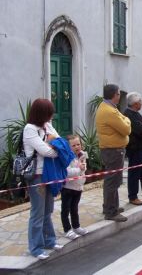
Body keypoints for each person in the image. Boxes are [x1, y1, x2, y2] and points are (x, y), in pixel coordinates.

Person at [23, 98, 63, 259]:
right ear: (42, 113)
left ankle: (50, 240)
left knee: (48, 210)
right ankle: (36, 248)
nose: (51, 116)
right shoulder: (29, 129)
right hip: (37, 176)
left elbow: (60, 141)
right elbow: (46, 151)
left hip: (49, 173)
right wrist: (57, 150)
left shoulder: (47, 125)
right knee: (38, 212)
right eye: (49, 113)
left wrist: (56, 146)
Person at [95, 84, 131, 222]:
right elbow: (126, 129)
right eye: (118, 94)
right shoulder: (110, 111)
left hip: (111, 149)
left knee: (112, 179)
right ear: (114, 95)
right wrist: (126, 120)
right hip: (113, 150)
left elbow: (123, 120)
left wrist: (124, 119)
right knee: (113, 180)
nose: (119, 96)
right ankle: (111, 211)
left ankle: (111, 206)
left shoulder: (108, 108)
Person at [61, 135, 88, 240]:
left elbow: (84, 169)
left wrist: (83, 176)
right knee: (65, 209)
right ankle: (67, 229)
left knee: (74, 208)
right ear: (68, 147)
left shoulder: (82, 155)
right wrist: (79, 169)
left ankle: (76, 226)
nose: (77, 147)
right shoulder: (67, 157)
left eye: (78, 144)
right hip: (68, 188)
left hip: (78, 187)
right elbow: (66, 172)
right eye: (73, 145)